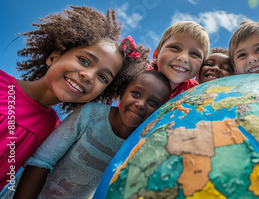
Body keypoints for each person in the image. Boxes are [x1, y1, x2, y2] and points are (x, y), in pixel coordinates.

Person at [0, 6, 148, 190]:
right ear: (53, 57)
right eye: (84, 61)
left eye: (103, 77)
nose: (88, 76)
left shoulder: (52, 131)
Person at [12, 70, 171, 199]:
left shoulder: (139, 143)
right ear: (123, 94)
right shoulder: (91, 114)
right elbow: (42, 161)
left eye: (153, 103)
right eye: (136, 93)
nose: (141, 104)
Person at [151, 21, 210, 99]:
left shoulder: (196, 92)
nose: (183, 58)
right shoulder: (136, 75)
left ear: (200, 67)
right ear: (156, 55)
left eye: (195, 54)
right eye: (175, 48)